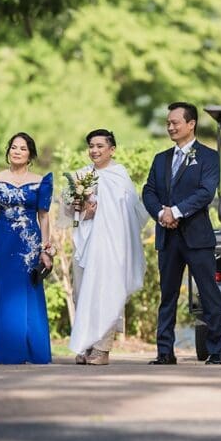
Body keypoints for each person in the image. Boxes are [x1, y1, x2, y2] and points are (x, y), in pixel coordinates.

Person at [142, 102, 221, 365]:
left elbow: (205, 193)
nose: (170, 127)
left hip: (197, 236)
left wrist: (175, 212)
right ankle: (165, 351)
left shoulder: (209, 157)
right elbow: (149, 191)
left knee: (208, 293)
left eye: (175, 122)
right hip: (167, 237)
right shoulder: (160, 159)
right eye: (168, 123)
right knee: (167, 296)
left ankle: (216, 350)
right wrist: (161, 214)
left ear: (191, 124)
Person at [0, 132, 55, 364]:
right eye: (14, 147)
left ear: (30, 155)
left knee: (27, 291)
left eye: (23, 148)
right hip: (1, 239)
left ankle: (29, 350)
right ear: (8, 152)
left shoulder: (40, 181)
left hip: (29, 243)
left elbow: (44, 216)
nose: (17, 151)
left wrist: (45, 249)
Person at [67, 129, 149, 366]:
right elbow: (69, 216)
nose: (95, 150)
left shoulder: (120, 176)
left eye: (100, 146)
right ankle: (86, 345)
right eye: (91, 146)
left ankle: (102, 349)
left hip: (112, 246)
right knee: (82, 294)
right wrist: (82, 212)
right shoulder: (81, 176)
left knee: (107, 294)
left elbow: (134, 213)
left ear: (112, 149)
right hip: (85, 244)